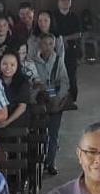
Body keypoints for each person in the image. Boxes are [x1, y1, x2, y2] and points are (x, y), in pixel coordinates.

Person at [29, 32, 71, 171]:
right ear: (39, 45)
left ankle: (51, 162)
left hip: (54, 101)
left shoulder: (58, 61)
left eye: (50, 44)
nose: (47, 47)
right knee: (37, 133)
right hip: (38, 100)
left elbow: (64, 81)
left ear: (54, 45)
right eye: (44, 44)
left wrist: (58, 98)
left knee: (53, 133)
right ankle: (36, 161)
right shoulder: (32, 62)